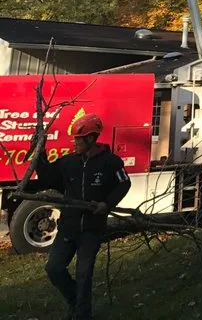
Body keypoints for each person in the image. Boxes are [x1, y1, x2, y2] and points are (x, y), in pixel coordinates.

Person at [35, 113, 131, 320]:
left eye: (78, 139)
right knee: (54, 269)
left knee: (84, 274)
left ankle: (82, 315)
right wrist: (40, 153)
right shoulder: (69, 162)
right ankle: (74, 301)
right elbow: (47, 177)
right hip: (68, 228)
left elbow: (124, 183)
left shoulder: (111, 162)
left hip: (91, 230)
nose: (75, 142)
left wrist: (107, 204)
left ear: (91, 138)